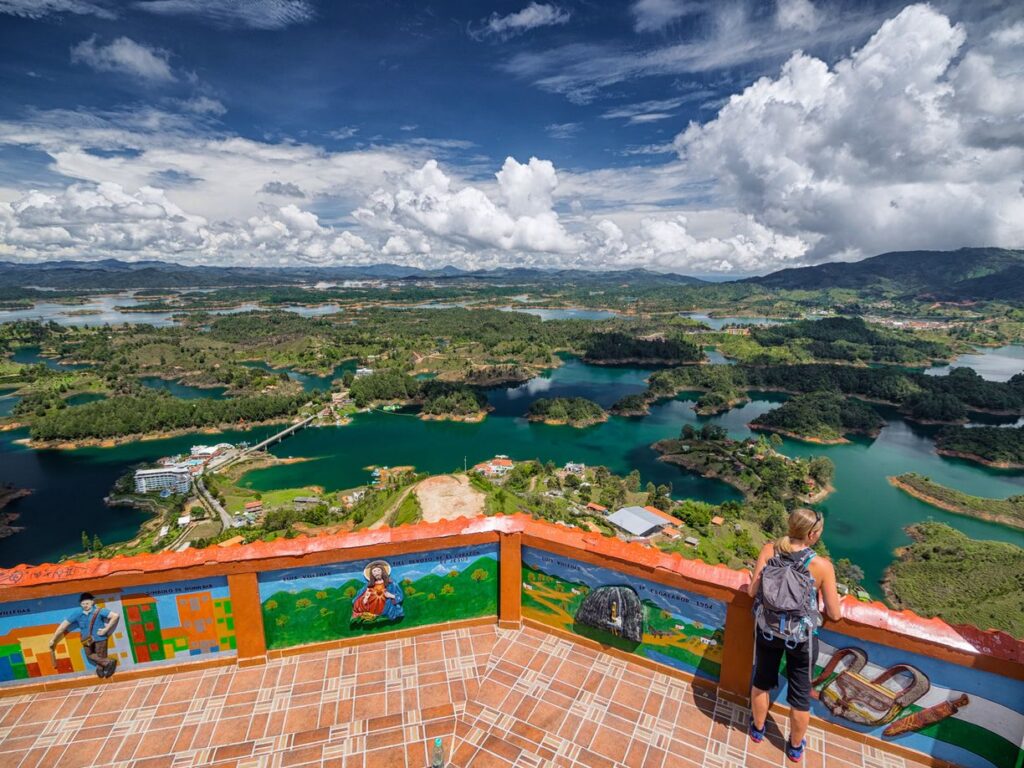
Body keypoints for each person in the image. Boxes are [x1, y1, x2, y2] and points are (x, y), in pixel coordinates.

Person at [747, 508, 841, 762]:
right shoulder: (821, 566)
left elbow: (751, 591)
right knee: (800, 696)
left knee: (761, 681)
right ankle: (795, 747)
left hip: (767, 629)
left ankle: (757, 729)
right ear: (811, 534)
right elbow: (834, 612)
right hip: (800, 638)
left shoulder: (770, 550)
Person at [49, 592, 120, 678]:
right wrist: (54, 639)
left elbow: (115, 616)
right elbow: (63, 626)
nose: (85, 605)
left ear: (92, 602)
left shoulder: (99, 611)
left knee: (101, 655)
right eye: (83, 604)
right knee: (89, 655)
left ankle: (100, 669)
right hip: (86, 639)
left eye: (87, 603)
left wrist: (106, 629)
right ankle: (109, 662)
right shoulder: (78, 613)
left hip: (99, 638)